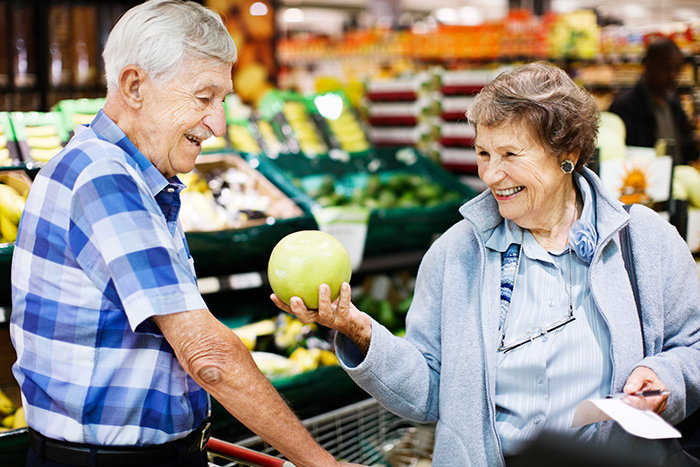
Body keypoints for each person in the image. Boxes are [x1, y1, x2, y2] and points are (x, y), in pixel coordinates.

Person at [271, 62, 700, 466]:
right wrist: (357, 329)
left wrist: (664, 376)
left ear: (567, 153)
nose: (492, 174)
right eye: (483, 154)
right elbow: (427, 393)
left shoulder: (642, 239)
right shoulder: (457, 252)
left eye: (511, 155)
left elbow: (694, 346)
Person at [9, 2, 366, 467]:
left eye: (223, 101)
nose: (218, 124)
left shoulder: (130, 174)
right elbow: (207, 354)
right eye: (203, 98)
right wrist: (322, 463)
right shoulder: (104, 178)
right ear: (134, 86)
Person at [608, 37, 699, 166]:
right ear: (647, 64)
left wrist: (694, 145)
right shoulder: (626, 106)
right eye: (666, 68)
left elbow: (683, 146)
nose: (672, 75)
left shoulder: (674, 103)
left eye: (677, 69)